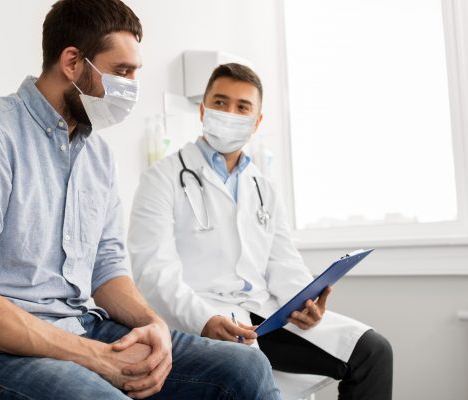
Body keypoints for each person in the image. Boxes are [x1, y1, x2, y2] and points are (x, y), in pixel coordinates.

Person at [0, 1, 281, 399]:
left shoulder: (97, 156)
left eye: (135, 73)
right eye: (122, 71)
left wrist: (153, 323)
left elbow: (106, 269)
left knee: (245, 367)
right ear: (72, 62)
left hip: (81, 325)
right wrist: (95, 357)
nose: (131, 87)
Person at [128, 63, 393, 400]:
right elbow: (153, 274)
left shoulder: (263, 188)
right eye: (220, 103)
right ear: (202, 110)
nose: (229, 113)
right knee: (248, 374)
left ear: (257, 121)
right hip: (200, 319)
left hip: (263, 316)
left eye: (242, 107)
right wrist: (204, 319)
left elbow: (283, 262)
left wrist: (306, 301)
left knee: (373, 352)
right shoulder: (161, 178)